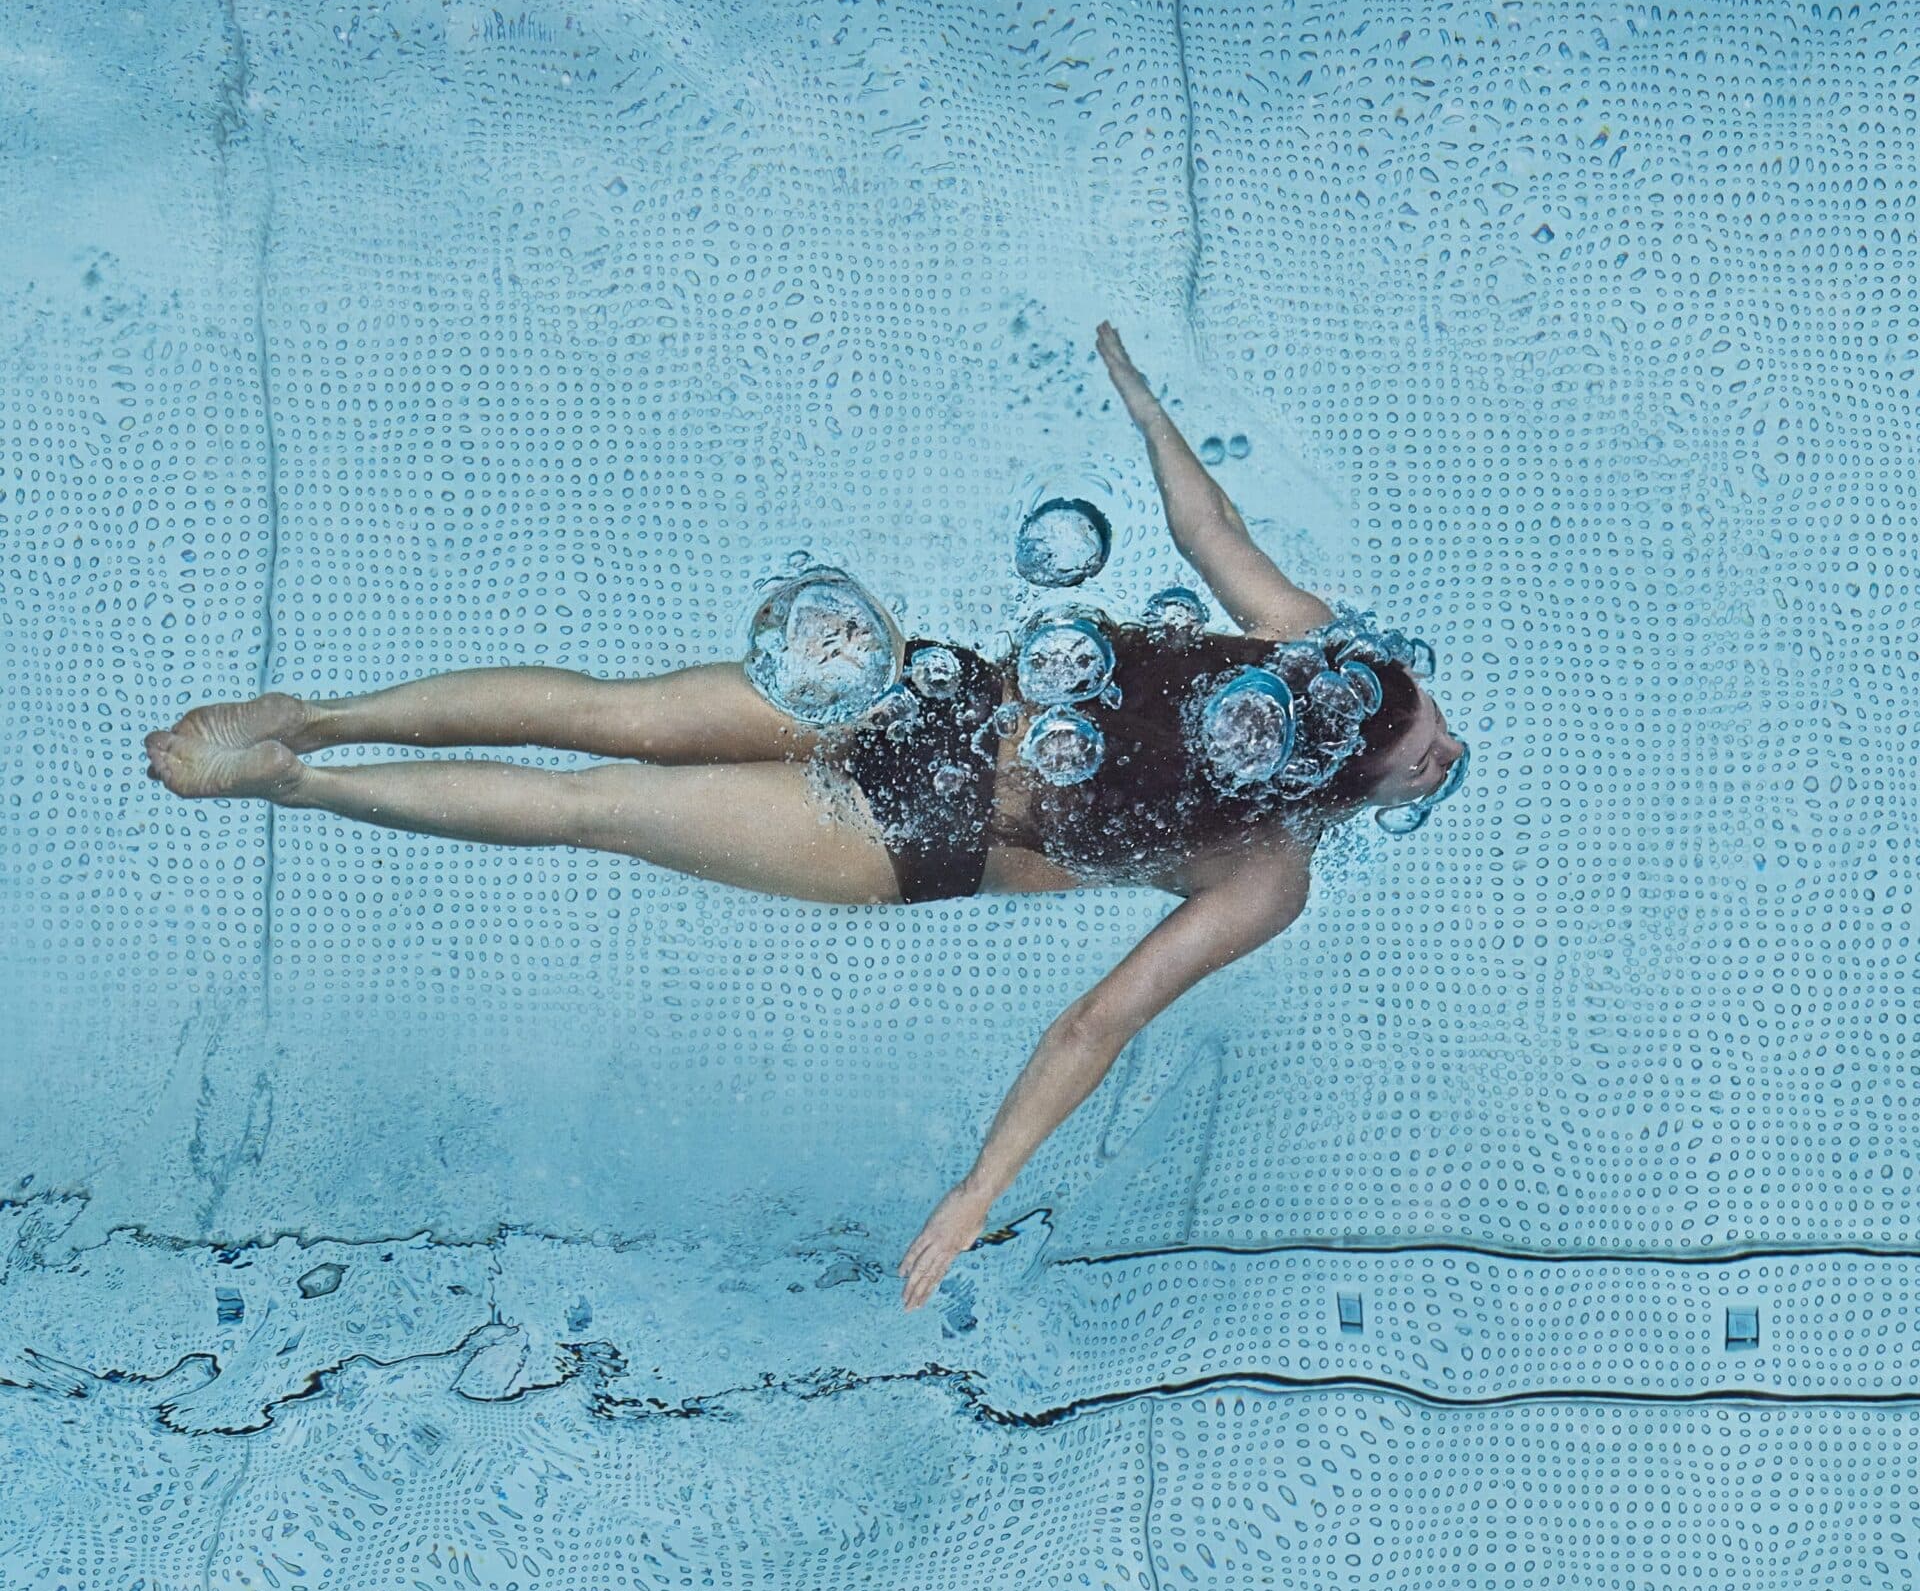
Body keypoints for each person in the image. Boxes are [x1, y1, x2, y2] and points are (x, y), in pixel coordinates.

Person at [144, 322, 1467, 1310]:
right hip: (923, 730)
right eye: (1428, 740)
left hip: (912, 806)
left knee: (598, 797)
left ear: (1334, 774)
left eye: (1418, 761)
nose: (1444, 750)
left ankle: (299, 771)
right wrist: (1141, 401)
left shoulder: (1279, 798)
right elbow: (1210, 527)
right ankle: (308, 724)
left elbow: (1097, 1020)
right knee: (607, 740)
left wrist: (976, 1189)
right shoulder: (1299, 735)